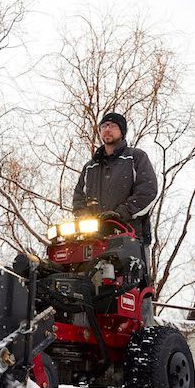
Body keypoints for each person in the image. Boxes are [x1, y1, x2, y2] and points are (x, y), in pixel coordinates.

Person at [72, 112, 158, 325]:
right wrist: (86, 220)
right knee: (88, 287)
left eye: (112, 126)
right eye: (104, 126)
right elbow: (78, 198)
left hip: (131, 238)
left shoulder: (136, 158)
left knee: (135, 287)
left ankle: (145, 331)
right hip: (95, 239)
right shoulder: (90, 167)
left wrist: (121, 213)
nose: (107, 129)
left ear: (122, 131)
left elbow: (148, 191)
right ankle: (91, 332)